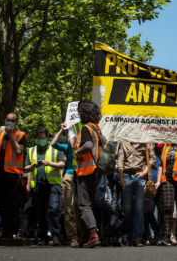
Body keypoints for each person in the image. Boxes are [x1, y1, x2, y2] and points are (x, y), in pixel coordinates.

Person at [0, 112, 27, 238]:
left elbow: (19, 150)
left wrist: (10, 135)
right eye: (8, 120)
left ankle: (10, 231)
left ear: (17, 123)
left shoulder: (21, 135)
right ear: (5, 121)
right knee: (0, 203)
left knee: (11, 203)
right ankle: (0, 229)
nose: (10, 122)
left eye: (13, 120)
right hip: (0, 173)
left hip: (13, 175)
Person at [24, 126, 65, 246]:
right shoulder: (31, 151)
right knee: (40, 212)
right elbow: (26, 168)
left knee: (53, 208)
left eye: (43, 138)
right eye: (39, 138)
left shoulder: (55, 150)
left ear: (47, 137)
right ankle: (43, 237)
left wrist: (49, 163)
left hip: (53, 184)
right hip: (38, 185)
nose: (41, 140)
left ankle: (56, 236)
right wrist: (33, 166)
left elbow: (62, 164)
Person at [73, 100, 103, 248]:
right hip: (96, 171)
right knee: (89, 204)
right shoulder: (96, 128)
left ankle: (92, 235)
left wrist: (77, 151)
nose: (78, 114)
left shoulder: (86, 128)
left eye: (80, 112)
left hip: (86, 171)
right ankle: (85, 237)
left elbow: (88, 145)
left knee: (83, 204)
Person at [118, 141, 155, 247]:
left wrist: (144, 172)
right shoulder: (124, 142)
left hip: (140, 176)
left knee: (139, 209)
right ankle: (130, 236)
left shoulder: (146, 142)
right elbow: (120, 158)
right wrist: (121, 176)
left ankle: (137, 238)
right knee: (128, 209)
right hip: (127, 175)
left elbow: (153, 159)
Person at [52, 122, 81, 247]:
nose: (72, 140)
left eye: (73, 137)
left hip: (80, 176)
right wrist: (61, 130)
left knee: (80, 207)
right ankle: (72, 236)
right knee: (68, 207)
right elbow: (52, 144)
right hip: (68, 176)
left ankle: (82, 234)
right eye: (70, 138)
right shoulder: (66, 148)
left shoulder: (82, 147)